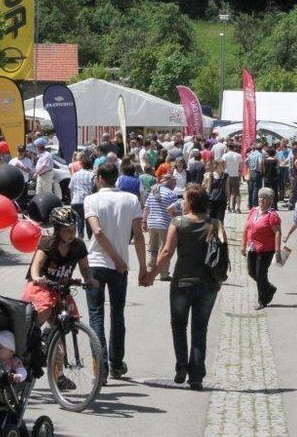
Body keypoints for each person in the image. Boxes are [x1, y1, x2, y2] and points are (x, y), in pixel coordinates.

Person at [147, 184, 222, 390]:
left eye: (185, 198)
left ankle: (182, 365)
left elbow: (166, 252)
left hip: (182, 283)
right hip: (207, 284)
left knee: (179, 326)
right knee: (200, 329)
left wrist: (152, 275)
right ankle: (196, 375)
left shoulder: (177, 223)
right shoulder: (215, 224)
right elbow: (222, 256)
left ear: (190, 202)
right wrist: (220, 280)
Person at [84, 163, 148, 380]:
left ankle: (99, 366)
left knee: (96, 315)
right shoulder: (131, 200)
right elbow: (138, 236)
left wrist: (116, 259)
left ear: (100, 177)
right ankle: (116, 363)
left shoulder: (91, 200)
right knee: (117, 315)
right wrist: (143, 267)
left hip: (96, 262)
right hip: (119, 267)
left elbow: (98, 232)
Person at [23, 206, 96, 329]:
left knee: (71, 317)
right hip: (41, 287)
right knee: (45, 310)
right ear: (57, 230)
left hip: (61, 288)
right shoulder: (48, 243)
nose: (72, 233)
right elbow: (37, 265)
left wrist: (89, 279)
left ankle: (52, 339)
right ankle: (29, 333)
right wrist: (36, 277)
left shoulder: (79, 245)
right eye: (67, 230)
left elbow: (85, 268)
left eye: (74, 229)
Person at [242, 188, 282, 310]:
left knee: (260, 274)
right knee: (251, 272)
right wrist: (243, 245)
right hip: (252, 247)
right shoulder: (253, 211)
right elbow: (246, 228)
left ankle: (262, 300)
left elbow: (278, 233)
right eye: (260, 197)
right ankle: (269, 289)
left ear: (270, 201)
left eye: (264, 198)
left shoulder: (272, 215)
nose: (261, 200)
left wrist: (277, 250)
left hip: (266, 249)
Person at [143, 173, 180, 282]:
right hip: (164, 224)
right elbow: (174, 211)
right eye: (174, 182)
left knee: (153, 249)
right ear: (170, 182)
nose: (175, 184)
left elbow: (146, 208)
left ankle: (150, 269)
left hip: (152, 224)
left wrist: (144, 221)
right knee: (164, 249)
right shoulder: (171, 194)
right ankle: (163, 273)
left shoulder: (153, 192)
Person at [69, 156, 95, 239]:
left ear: (82, 165)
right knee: (89, 218)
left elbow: (71, 188)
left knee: (80, 218)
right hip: (88, 200)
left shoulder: (75, 174)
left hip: (76, 200)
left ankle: (80, 236)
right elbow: (94, 188)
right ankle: (90, 236)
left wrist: (71, 199)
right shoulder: (92, 175)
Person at [222, 143, 242, 213]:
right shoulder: (238, 155)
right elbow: (240, 167)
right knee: (236, 192)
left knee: (228, 192)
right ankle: (237, 208)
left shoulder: (225, 155)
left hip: (227, 175)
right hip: (235, 175)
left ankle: (228, 207)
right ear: (234, 148)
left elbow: (223, 166)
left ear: (228, 147)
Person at [246, 142, 263, 210]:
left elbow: (245, 161)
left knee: (250, 189)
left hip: (251, 172)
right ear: (261, 149)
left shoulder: (251, 154)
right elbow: (260, 162)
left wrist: (249, 167)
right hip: (256, 172)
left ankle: (250, 204)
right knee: (256, 189)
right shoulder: (259, 154)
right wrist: (260, 169)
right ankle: (254, 205)